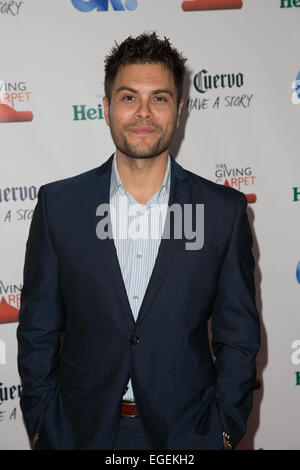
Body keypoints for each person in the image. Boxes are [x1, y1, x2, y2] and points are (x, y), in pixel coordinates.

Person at [17, 32, 260, 451]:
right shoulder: (60, 206)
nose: (143, 113)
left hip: (189, 435)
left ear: (179, 110)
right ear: (107, 108)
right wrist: (42, 426)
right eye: (129, 97)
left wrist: (222, 432)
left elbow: (238, 337)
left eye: (160, 98)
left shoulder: (223, 211)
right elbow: (37, 331)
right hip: (79, 434)